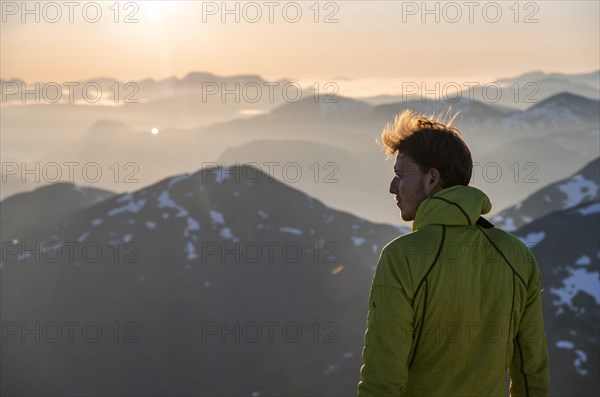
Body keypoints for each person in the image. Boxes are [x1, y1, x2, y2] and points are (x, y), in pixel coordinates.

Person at [357, 109, 549, 396]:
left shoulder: (402, 257)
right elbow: (530, 371)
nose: (392, 187)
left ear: (432, 179)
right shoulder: (517, 255)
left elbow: (382, 376)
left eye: (400, 176)